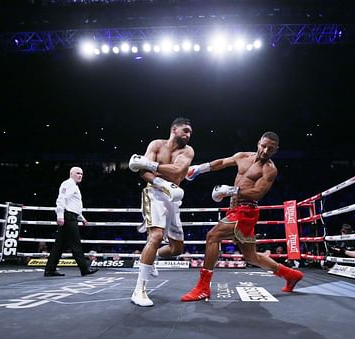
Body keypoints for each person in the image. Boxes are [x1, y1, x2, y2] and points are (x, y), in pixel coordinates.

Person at [181, 131, 304, 302]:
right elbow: (223, 162)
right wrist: (200, 168)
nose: (266, 150)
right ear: (258, 142)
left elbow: (258, 193)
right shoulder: (242, 156)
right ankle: (291, 275)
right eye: (264, 145)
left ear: (276, 150)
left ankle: (203, 287)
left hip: (246, 211)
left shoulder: (270, 169)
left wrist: (230, 191)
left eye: (271, 148)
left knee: (212, 236)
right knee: (251, 256)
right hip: (235, 209)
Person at [128, 117, 194, 306]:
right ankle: (139, 290)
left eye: (190, 132)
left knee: (177, 249)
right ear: (174, 129)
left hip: (172, 198)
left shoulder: (187, 151)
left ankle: (152, 257)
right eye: (185, 131)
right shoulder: (156, 145)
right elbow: (143, 173)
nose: (188, 135)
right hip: (154, 193)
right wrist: (161, 182)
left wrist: (151, 166)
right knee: (156, 237)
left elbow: (177, 170)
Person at [44, 167, 99, 277]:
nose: (80, 175)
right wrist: (60, 215)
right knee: (76, 244)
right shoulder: (68, 184)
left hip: (70, 216)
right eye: (78, 173)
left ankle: (50, 269)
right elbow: (61, 199)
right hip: (67, 217)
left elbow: (73, 205)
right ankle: (84, 269)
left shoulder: (74, 186)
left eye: (81, 174)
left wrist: (81, 217)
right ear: (71, 173)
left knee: (59, 245)